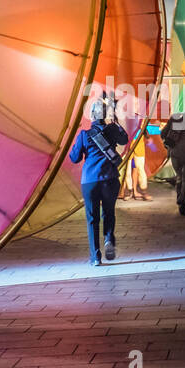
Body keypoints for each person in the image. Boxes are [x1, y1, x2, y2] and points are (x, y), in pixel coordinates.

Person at [69, 98, 129, 264]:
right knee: (109, 213)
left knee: (92, 218)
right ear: (105, 115)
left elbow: (74, 158)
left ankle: (95, 257)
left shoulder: (84, 135)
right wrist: (116, 122)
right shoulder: (111, 130)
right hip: (110, 179)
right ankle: (109, 239)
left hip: (90, 182)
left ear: (91, 116)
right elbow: (124, 140)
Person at [121, 123, 151, 201]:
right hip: (127, 142)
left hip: (139, 142)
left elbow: (145, 127)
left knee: (140, 168)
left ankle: (144, 191)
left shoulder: (141, 116)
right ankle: (129, 191)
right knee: (127, 169)